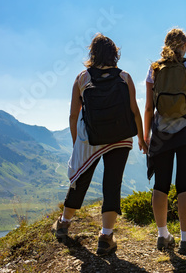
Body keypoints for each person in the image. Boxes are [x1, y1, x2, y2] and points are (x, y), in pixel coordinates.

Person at [52, 33, 148, 256]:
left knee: (80, 178)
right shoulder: (124, 77)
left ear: (92, 53)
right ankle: (105, 237)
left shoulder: (82, 78)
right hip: (121, 138)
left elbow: (73, 115)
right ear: (115, 53)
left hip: (91, 138)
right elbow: (134, 111)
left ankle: (64, 224)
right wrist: (141, 138)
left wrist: (77, 142)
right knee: (112, 183)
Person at [144, 28, 186, 254]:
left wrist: (145, 136)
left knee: (160, 185)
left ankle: (162, 236)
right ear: (184, 46)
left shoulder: (154, 69)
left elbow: (149, 107)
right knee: (185, 186)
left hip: (161, 134)